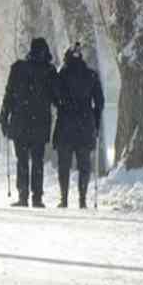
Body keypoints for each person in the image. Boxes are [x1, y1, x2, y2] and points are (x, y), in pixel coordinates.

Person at [0, 37, 60, 208]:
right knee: (38, 160)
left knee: (22, 160)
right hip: (40, 124)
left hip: (20, 122)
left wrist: (4, 117)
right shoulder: (49, 71)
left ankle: (23, 195)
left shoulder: (18, 68)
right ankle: (37, 197)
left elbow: (8, 95)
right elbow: (57, 98)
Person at [53, 42, 104, 209]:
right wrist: (95, 121)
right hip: (85, 123)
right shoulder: (91, 75)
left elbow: (55, 96)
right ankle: (82, 199)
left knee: (64, 165)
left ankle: (64, 198)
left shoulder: (62, 75)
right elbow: (99, 101)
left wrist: (62, 106)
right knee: (84, 165)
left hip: (66, 124)